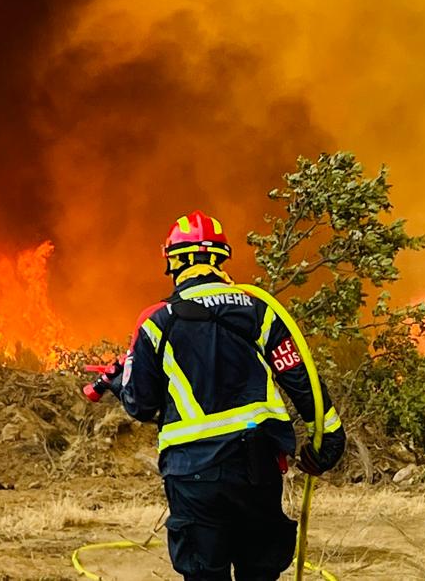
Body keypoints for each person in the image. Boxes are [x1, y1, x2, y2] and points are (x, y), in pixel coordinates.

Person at [105, 210, 346, 581]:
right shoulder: (259, 310)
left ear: (172, 261)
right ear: (221, 258)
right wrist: (329, 435)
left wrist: (118, 382)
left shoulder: (159, 323)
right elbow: (299, 376)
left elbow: (140, 404)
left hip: (194, 474)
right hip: (257, 470)